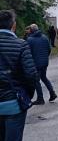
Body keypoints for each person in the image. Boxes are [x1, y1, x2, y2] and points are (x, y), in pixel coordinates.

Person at [0, 10, 38, 141]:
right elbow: (31, 75)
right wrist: (27, 95)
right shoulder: (21, 44)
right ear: (13, 25)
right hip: (13, 104)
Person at [27, 24, 57, 105]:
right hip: (44, 62)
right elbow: (49, 49)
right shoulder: (44, 37)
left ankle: (40, 99)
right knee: (44, 78)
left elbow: (27, 53)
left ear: (31, 30)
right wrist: (45, 58)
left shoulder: (30, 40)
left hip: (36, 64)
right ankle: (52, 93)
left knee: (36, 81)